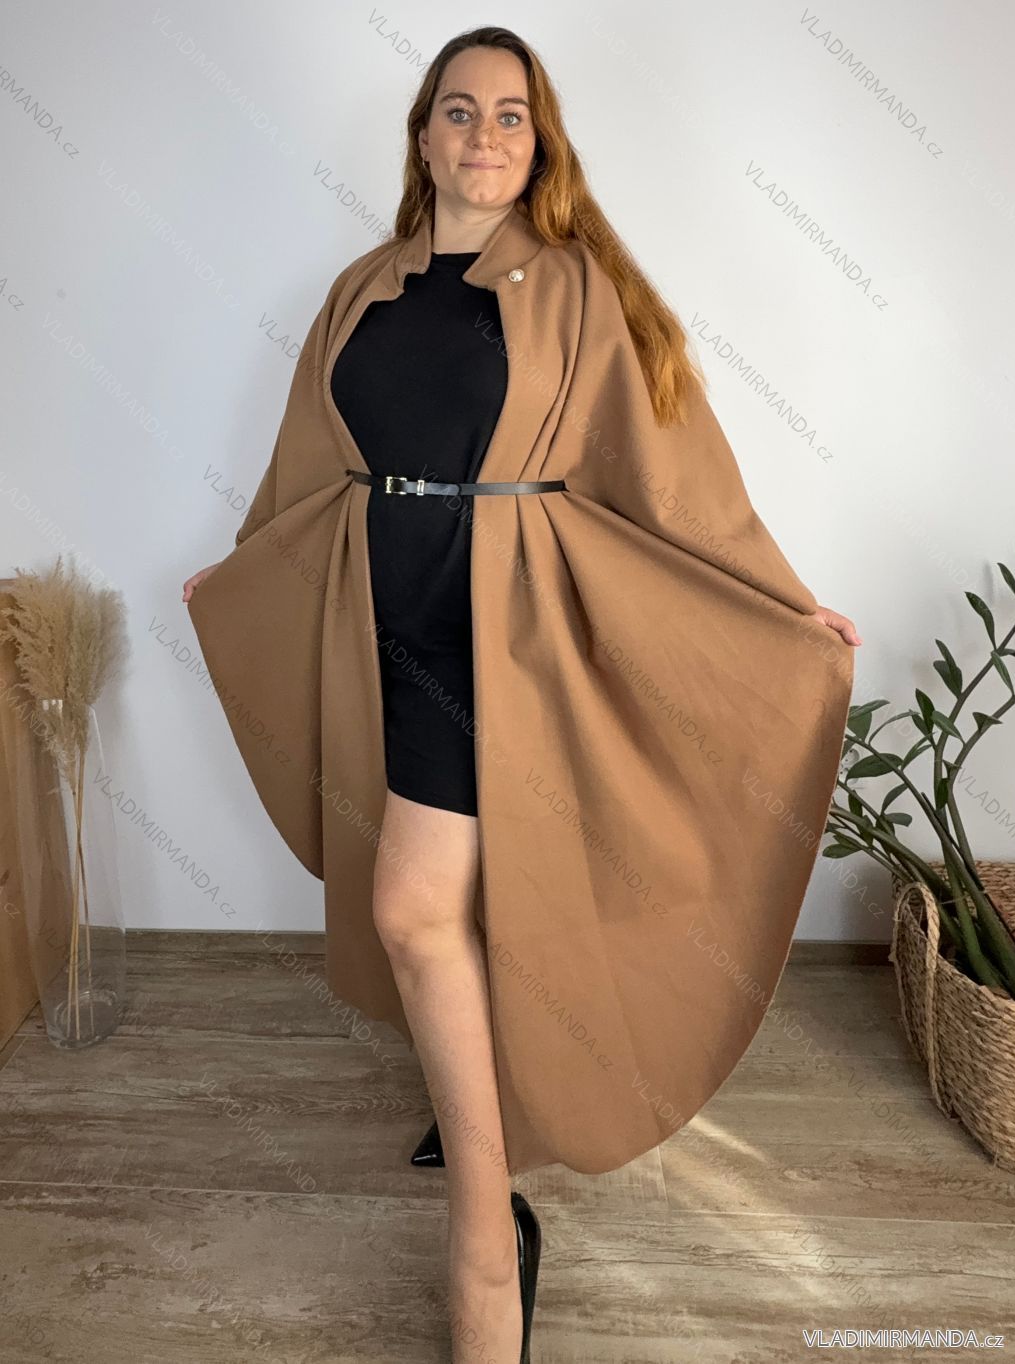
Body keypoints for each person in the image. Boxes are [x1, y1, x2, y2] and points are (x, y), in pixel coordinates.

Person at [184, 26, 861, 1364]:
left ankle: (487, 1237)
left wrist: (778, 605)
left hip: (496, 631)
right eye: (459, 111)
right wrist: (249, 570)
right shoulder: (360, 290)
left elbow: (670, 472)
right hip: (367, 620)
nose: (483, 135)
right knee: (448, 901)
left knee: (412, 908)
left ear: (539, 143)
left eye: (510, 115)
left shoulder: (574, 289)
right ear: (422, 138)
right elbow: (308, 461)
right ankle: (483, 1110)